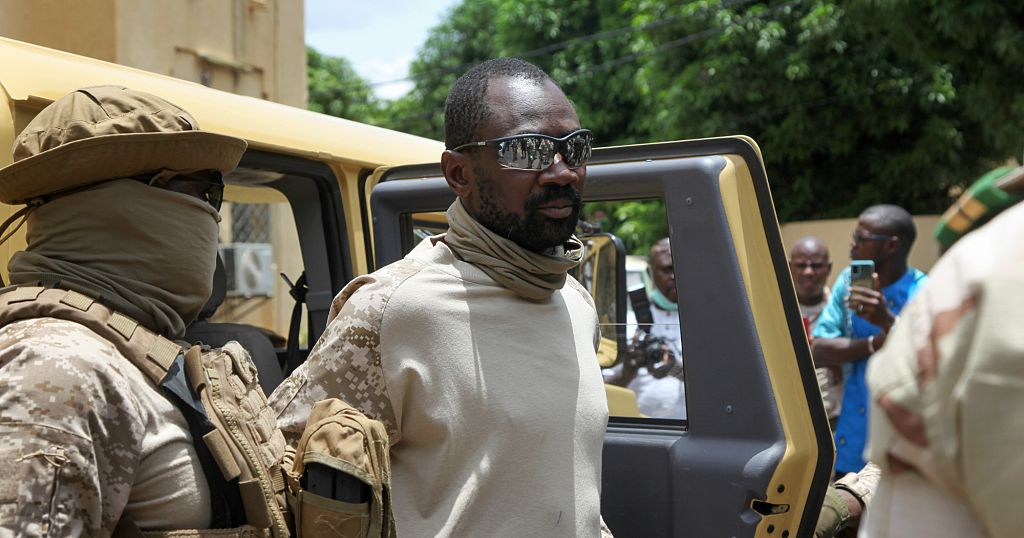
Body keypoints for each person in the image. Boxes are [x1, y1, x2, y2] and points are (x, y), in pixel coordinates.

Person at [271, 58, 612, 537]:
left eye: (573, 148)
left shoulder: (574, 303)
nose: (562, 173)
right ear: (458, 173)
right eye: (527, 150)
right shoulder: (392, 308)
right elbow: (279, 472)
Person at [0, 87, 261, 534]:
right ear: (108, 204)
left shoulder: (132, 347)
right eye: (199, 191)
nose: (210, 214)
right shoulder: (56, 366)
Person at [860, 169, 1024, 537]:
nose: (856, 246)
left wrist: (880, 327)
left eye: (864, 238)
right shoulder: (1003, 267)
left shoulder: (924, 286)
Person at [811, 204, 927, 477]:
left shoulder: (923, 292)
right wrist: (875, 343)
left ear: (891, 246)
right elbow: (819, 349)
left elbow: (925, 359)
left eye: (861, 238)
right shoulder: (848, 282)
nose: (853, 244)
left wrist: (886, 319)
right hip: (851, 438)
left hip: (899, 444)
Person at [604, 238, 685, 418]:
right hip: (643, 430)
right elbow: (600, 393)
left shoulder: (706, 323)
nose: (674, 276)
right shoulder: (629, 324)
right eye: (667, 269)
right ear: (650, 273)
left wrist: (675, 369)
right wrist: (627, 373)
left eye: (681, 268)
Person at [788, 236, 843, 426]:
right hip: (792, 423)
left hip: (836, 422)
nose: (809, 272)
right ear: (789, 267)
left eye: (817, 266)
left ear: (829, 268)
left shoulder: (844, 312)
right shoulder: (775, 313)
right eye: (801, 265)